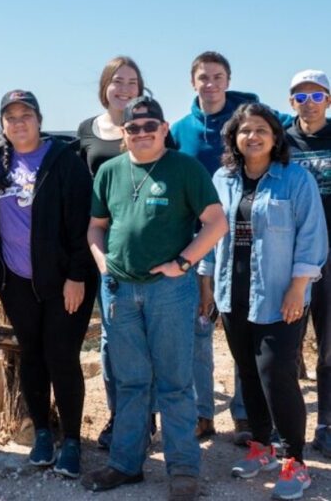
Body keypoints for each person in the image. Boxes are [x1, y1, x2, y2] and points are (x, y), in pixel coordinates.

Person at [83, 96, 228, 500]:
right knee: (129, 383)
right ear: (123, 135)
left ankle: (183, 469)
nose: (142, 133)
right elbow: (96, 227)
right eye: (134, 128)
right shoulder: (110, 171)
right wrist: (102, 263)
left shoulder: (185, 169)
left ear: (164, 129)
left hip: (169, 291)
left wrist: (183, 263)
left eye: (150, 126)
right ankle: (126, 465)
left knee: (175, 383)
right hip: (119, 290)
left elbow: (216, 223)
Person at [204, 103, 326, 500]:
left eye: (261, 130)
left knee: (276, 373)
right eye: (244, 130)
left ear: (275, 136)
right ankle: (262, 448)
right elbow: (207, 232)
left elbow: (311, 238)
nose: (252, 136)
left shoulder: (296, 179)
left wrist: (298, 287)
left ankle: (295, 461)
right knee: (248, 372)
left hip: (279, 293)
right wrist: (206, 284)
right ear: (234, 138)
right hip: (231, 290)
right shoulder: (222, 178)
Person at [0, 91, 98, 478]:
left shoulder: (64, 162)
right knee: (32, 356)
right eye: (11, 117)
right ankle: (42, 433)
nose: (19, 122)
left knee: (62, 358)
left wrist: (76, 275)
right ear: (2, 125)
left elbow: (82, 222)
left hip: (64, 282)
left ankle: (71, 440)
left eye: (26, 115)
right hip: (17, 282)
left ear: (39, 119)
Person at [170, 51, 260, 442]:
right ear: (193, 82)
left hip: (244, 236)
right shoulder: (180, 130)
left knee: (244, 326)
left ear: (228, 80)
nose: (210, 83)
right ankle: (201, 413)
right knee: (198, 330)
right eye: (203, 77)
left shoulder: (246, 119)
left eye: (218, 77)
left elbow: (288, 126)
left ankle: (243, 413)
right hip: (196, 239)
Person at [77, 56, 158, 449]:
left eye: (132, 82)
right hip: (103, 248)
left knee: (147, 336)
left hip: (145, 248)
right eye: (117, 81)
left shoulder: (150, 128)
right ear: (105, 85)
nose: (124, 88)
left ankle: (147, 417)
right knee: (112, 340)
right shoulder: (86, 131)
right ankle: (120, 416)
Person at [285, 69, 331, 458]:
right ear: (291, 103)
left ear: (328, 101)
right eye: (301, 98)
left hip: (330, 257)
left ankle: (326, 423)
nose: (309, 104)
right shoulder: (281, 141)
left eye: (317, 97)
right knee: (284, 345)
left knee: (329, 346)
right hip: (290, 258)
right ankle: (284, 425)